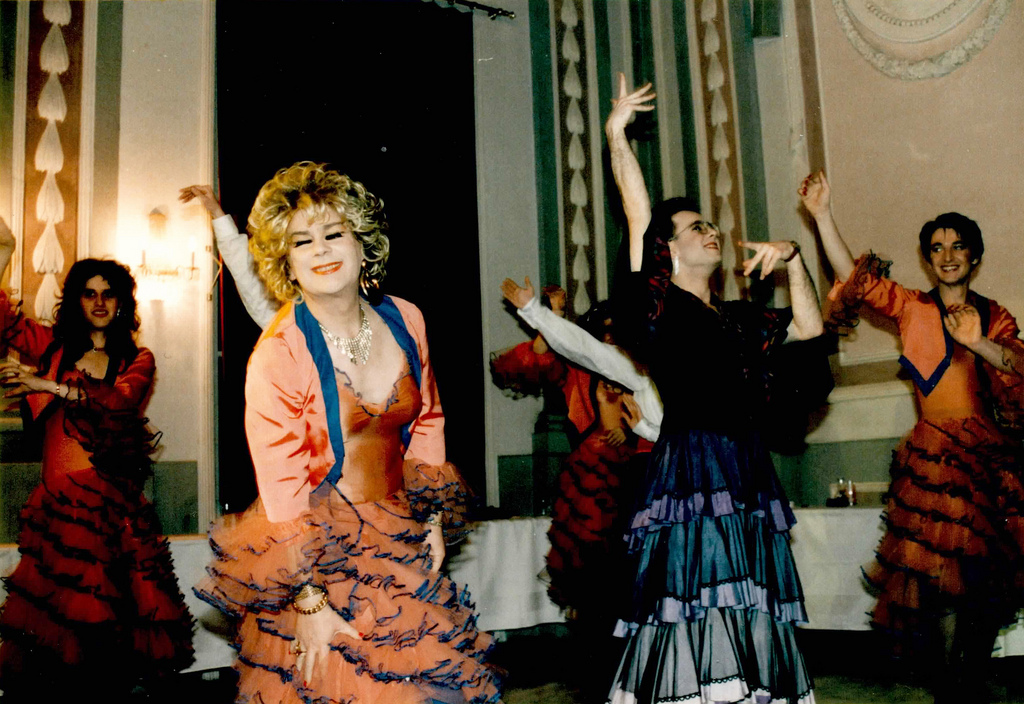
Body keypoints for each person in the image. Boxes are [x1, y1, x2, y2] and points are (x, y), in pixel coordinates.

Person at [192, 162, 501, 704]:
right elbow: (282, 489)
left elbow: (428, 419)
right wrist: (309, 601)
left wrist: (431, 517)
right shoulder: (278, 352)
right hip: (319, 552)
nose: (321, 250)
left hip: (401, 534)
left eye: (333, 234)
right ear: (286, 262)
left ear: (361, 243)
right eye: (301, 241)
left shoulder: (407, 318)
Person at [604, 73, 824, 704]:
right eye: (695, 226)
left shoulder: (736, 317)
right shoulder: (658, 307)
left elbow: (809, 327)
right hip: (693, 462)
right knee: (695, 591)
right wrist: (618, 136)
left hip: (746, 464)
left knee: (746, 589)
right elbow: (637, 213)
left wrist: (794, 262)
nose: (712, 231)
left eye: (711, 224)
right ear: (667, 251)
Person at [800, 170, 1024, 701]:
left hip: (989, 461)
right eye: (936, 247)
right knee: (940, 584)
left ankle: (971, 682)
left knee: (985, 581)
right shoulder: (913, 308)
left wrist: (977, 341)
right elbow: (855, 277)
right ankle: (950, 690)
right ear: (927, 259)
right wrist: (823, 215)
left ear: (974, 256)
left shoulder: (994, 315)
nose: (947, 255)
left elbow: (1017, 367)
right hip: (936, 460)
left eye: (958, 246)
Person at [0, 219, 194, 700]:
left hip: (110, 514)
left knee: (109, 643)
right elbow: (5, 322)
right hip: (58, 508)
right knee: (54, 644)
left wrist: (48, 386)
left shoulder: (138, 358)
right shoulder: (52, 347)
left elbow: (118, 404)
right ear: (77, 301)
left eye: (109, 294)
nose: (100, 302)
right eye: (89, 294)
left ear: (122, 302)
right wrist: (5, 250)